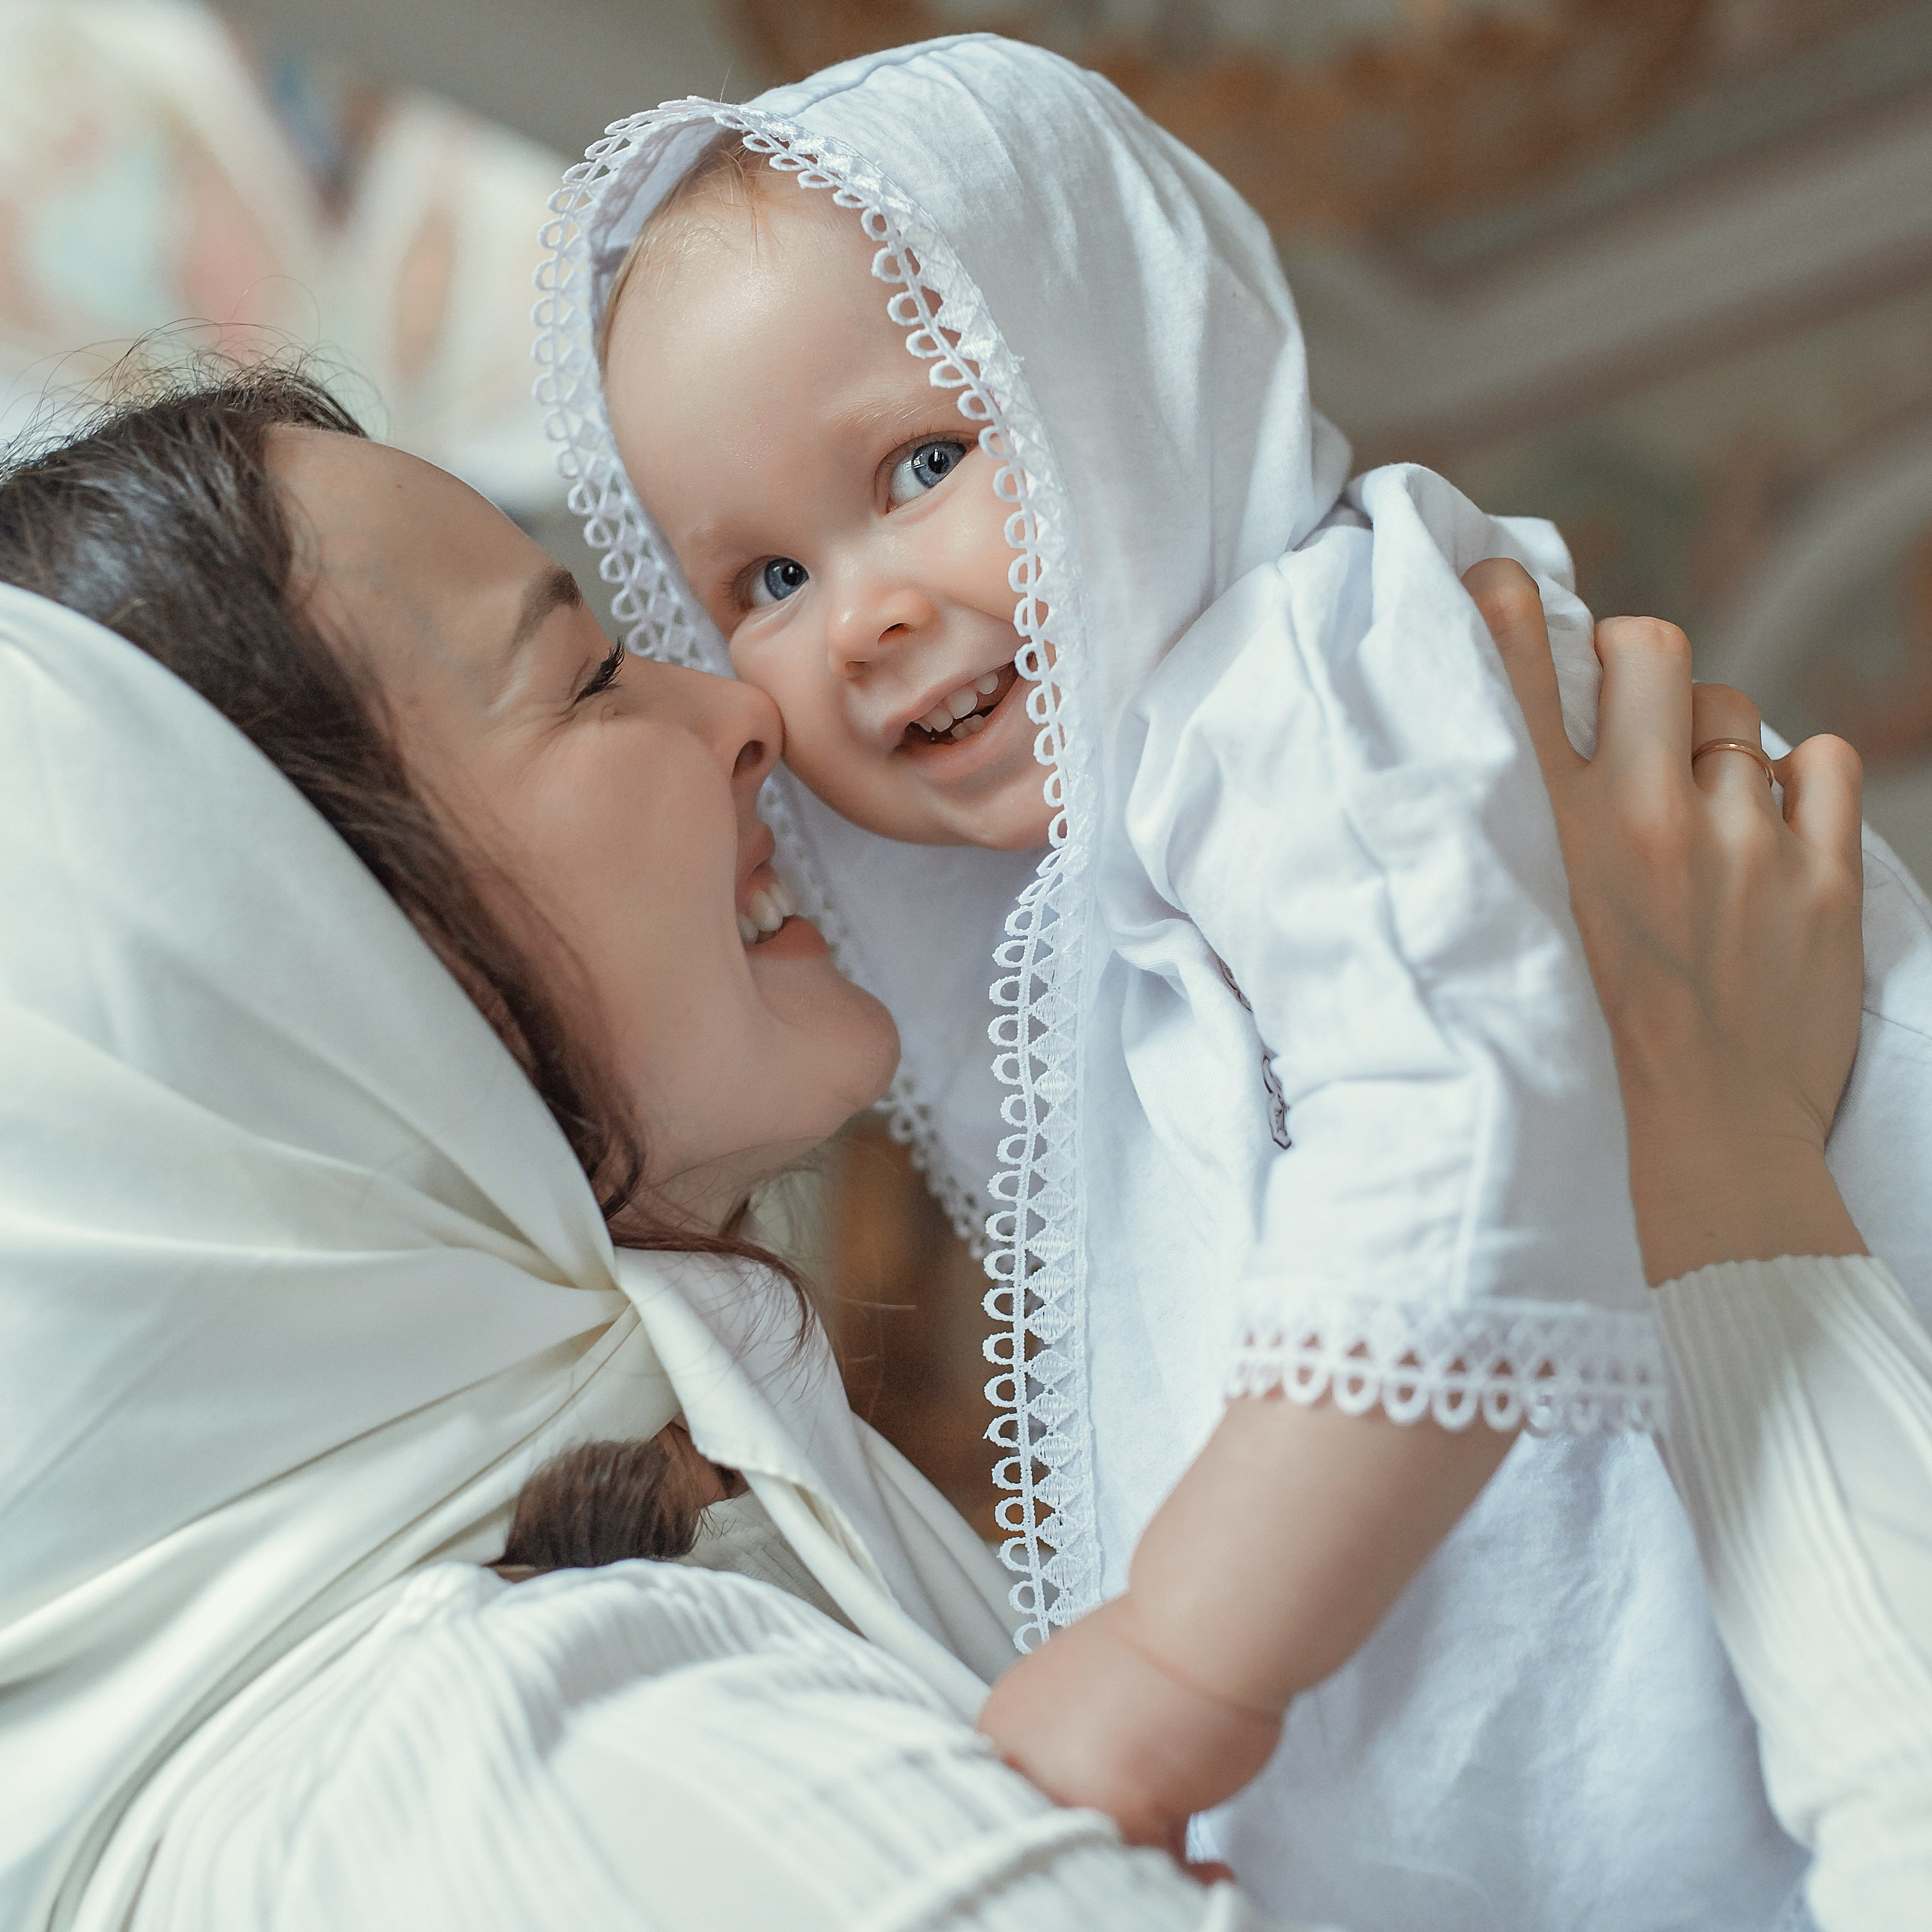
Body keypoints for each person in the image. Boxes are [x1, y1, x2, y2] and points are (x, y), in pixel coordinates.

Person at [0, 371, 1924, 1932]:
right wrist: (1727, 1192)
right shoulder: (568, 1779)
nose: (740, 707)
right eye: (584, 675)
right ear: (337, 988)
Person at [549, 36, 1932, 1921]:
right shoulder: (1146, 887)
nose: (859, 609)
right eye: (763, 581)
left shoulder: (1315, 677)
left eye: (925, 461)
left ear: (1121, 371)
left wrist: (1183, 1658)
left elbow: (1456, 1133)